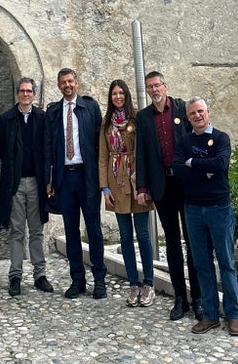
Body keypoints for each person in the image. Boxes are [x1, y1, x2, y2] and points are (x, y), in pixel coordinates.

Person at [135, 70, 202, 320]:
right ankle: (180, 299)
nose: (154, 90)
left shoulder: (183, 109)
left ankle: (198, 298)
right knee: (172, 243)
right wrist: (142, 188)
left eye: (157, 86)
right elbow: (140, 153)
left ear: (165, 87)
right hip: (161, 186)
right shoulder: (143, 117)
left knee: (192, 241)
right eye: (149, 87)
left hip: (185, 184)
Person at [173, 97, 238, 336]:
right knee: (201, 264)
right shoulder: (184, 141)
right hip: (193, 209)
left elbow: (221, 164)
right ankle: (211, 315)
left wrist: (193, 163)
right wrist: (205, 169)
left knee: (226, 263)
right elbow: (178, 169)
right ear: (188, 117)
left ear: (208, 112)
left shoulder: (221, 138)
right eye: (192, 113)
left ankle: (233, 315)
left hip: (219, 208)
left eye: (200, 111)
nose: (197, 116)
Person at [45, 67, 107, 299]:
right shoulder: (53, 111)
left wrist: (102, 178)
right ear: (59, 86)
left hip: (87, 177)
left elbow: (100, 145)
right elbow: (49, 147)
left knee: (94, 230)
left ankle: (99, 280)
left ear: (77, 83)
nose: (67, 85)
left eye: (70, 81)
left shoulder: (90, 108)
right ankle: (77, 279)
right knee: (71, 231)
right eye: (63, 82)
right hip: (65, 178)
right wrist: (48, 180)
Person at [99, 79, 155, 307]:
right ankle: (133, 283)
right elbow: (102, 158)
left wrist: (145, 181)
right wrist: (104, 188)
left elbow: (145, 150)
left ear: (127, 95)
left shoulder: (137, 119)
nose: (118, 97)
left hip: (136, 179)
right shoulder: (106, 123)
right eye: (114, 93)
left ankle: (148, 283)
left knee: (142, 233)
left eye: (121, 93)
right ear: (110, 97)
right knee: (124, 236)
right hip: (116, 181)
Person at [0, 77, 54, 296]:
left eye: (29, 91)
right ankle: (15, 275)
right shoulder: (7, 119)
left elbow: (47, 148)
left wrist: (48, 179)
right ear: (17, 94)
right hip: (16, 183)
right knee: (17, 230)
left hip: (37, 182)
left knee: (37, 230)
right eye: (22, 91)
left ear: (34, 94)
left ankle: (40, 274)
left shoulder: (42, 118)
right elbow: (2, 149)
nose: (26, 94)